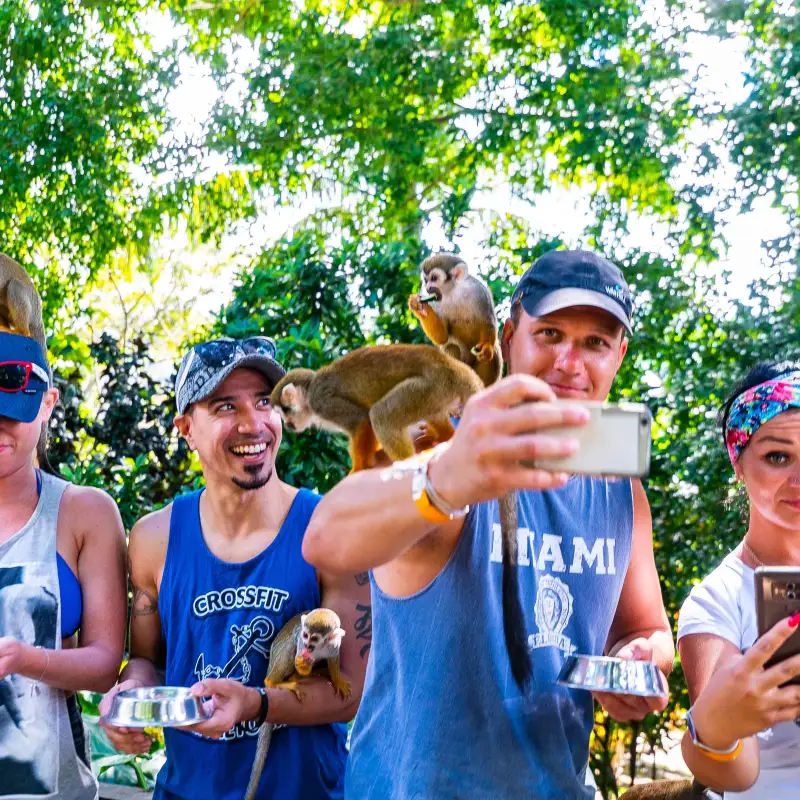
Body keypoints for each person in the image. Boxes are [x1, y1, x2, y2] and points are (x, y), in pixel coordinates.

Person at [303, 250, 675, 798]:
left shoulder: (620, 489)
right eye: (549, 334)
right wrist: (445, 478)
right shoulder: (446, 442)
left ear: (618, 355)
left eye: (595, 342)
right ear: (507, 338)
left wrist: (637, 661)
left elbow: (645, 628)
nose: (570, 362)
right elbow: (325, 537)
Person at [99, 335, 370, 800]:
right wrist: (127, 701)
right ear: (186, 428)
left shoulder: (331, 529)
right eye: (225, 406)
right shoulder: (153, 538)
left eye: (265, 401)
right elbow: (148, 660)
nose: (253, 424)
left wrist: (255, 704)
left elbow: (351, 693)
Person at [0, 329, 127, 798]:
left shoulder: (85, 513)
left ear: (48, 402)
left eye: (10, 414)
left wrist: (23, 658)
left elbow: (103, 663)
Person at [677, 360, 800, 798]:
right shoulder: (717, 600)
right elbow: (735, 773)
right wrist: (717, 727)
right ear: (739, 464)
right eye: (778, 456)